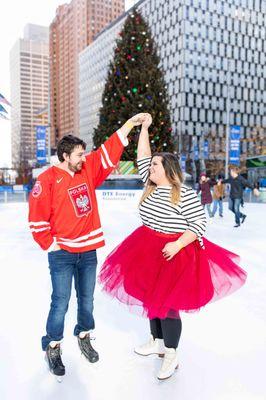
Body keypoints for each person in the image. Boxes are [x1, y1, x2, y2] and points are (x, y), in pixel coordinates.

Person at [99, 114, 247, 381]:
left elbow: (200, 224)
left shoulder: (185, 193)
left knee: (167, 306)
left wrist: (178, 244)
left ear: (167, 169)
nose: (149, 167)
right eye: (151, 165)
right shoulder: (151, 184)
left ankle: (171, 353)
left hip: (174, 253)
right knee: (149, 297)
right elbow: (142, 154)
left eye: (155, 165)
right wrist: (143, 127)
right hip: (146, 248)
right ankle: (157, 341)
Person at [28, 113, 146, 380]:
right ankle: (53, 345)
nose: (84, 157)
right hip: (62, 254)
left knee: (87, 300)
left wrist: (129, 123)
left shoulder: (87, 169)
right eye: (79, 154)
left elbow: (109, 148)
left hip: (88, 251)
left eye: (84, 154)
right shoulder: (47, 180)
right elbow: (36, 217)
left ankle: (84, 334)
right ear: (66, 156)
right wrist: (51, 243)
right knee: (60, 302)